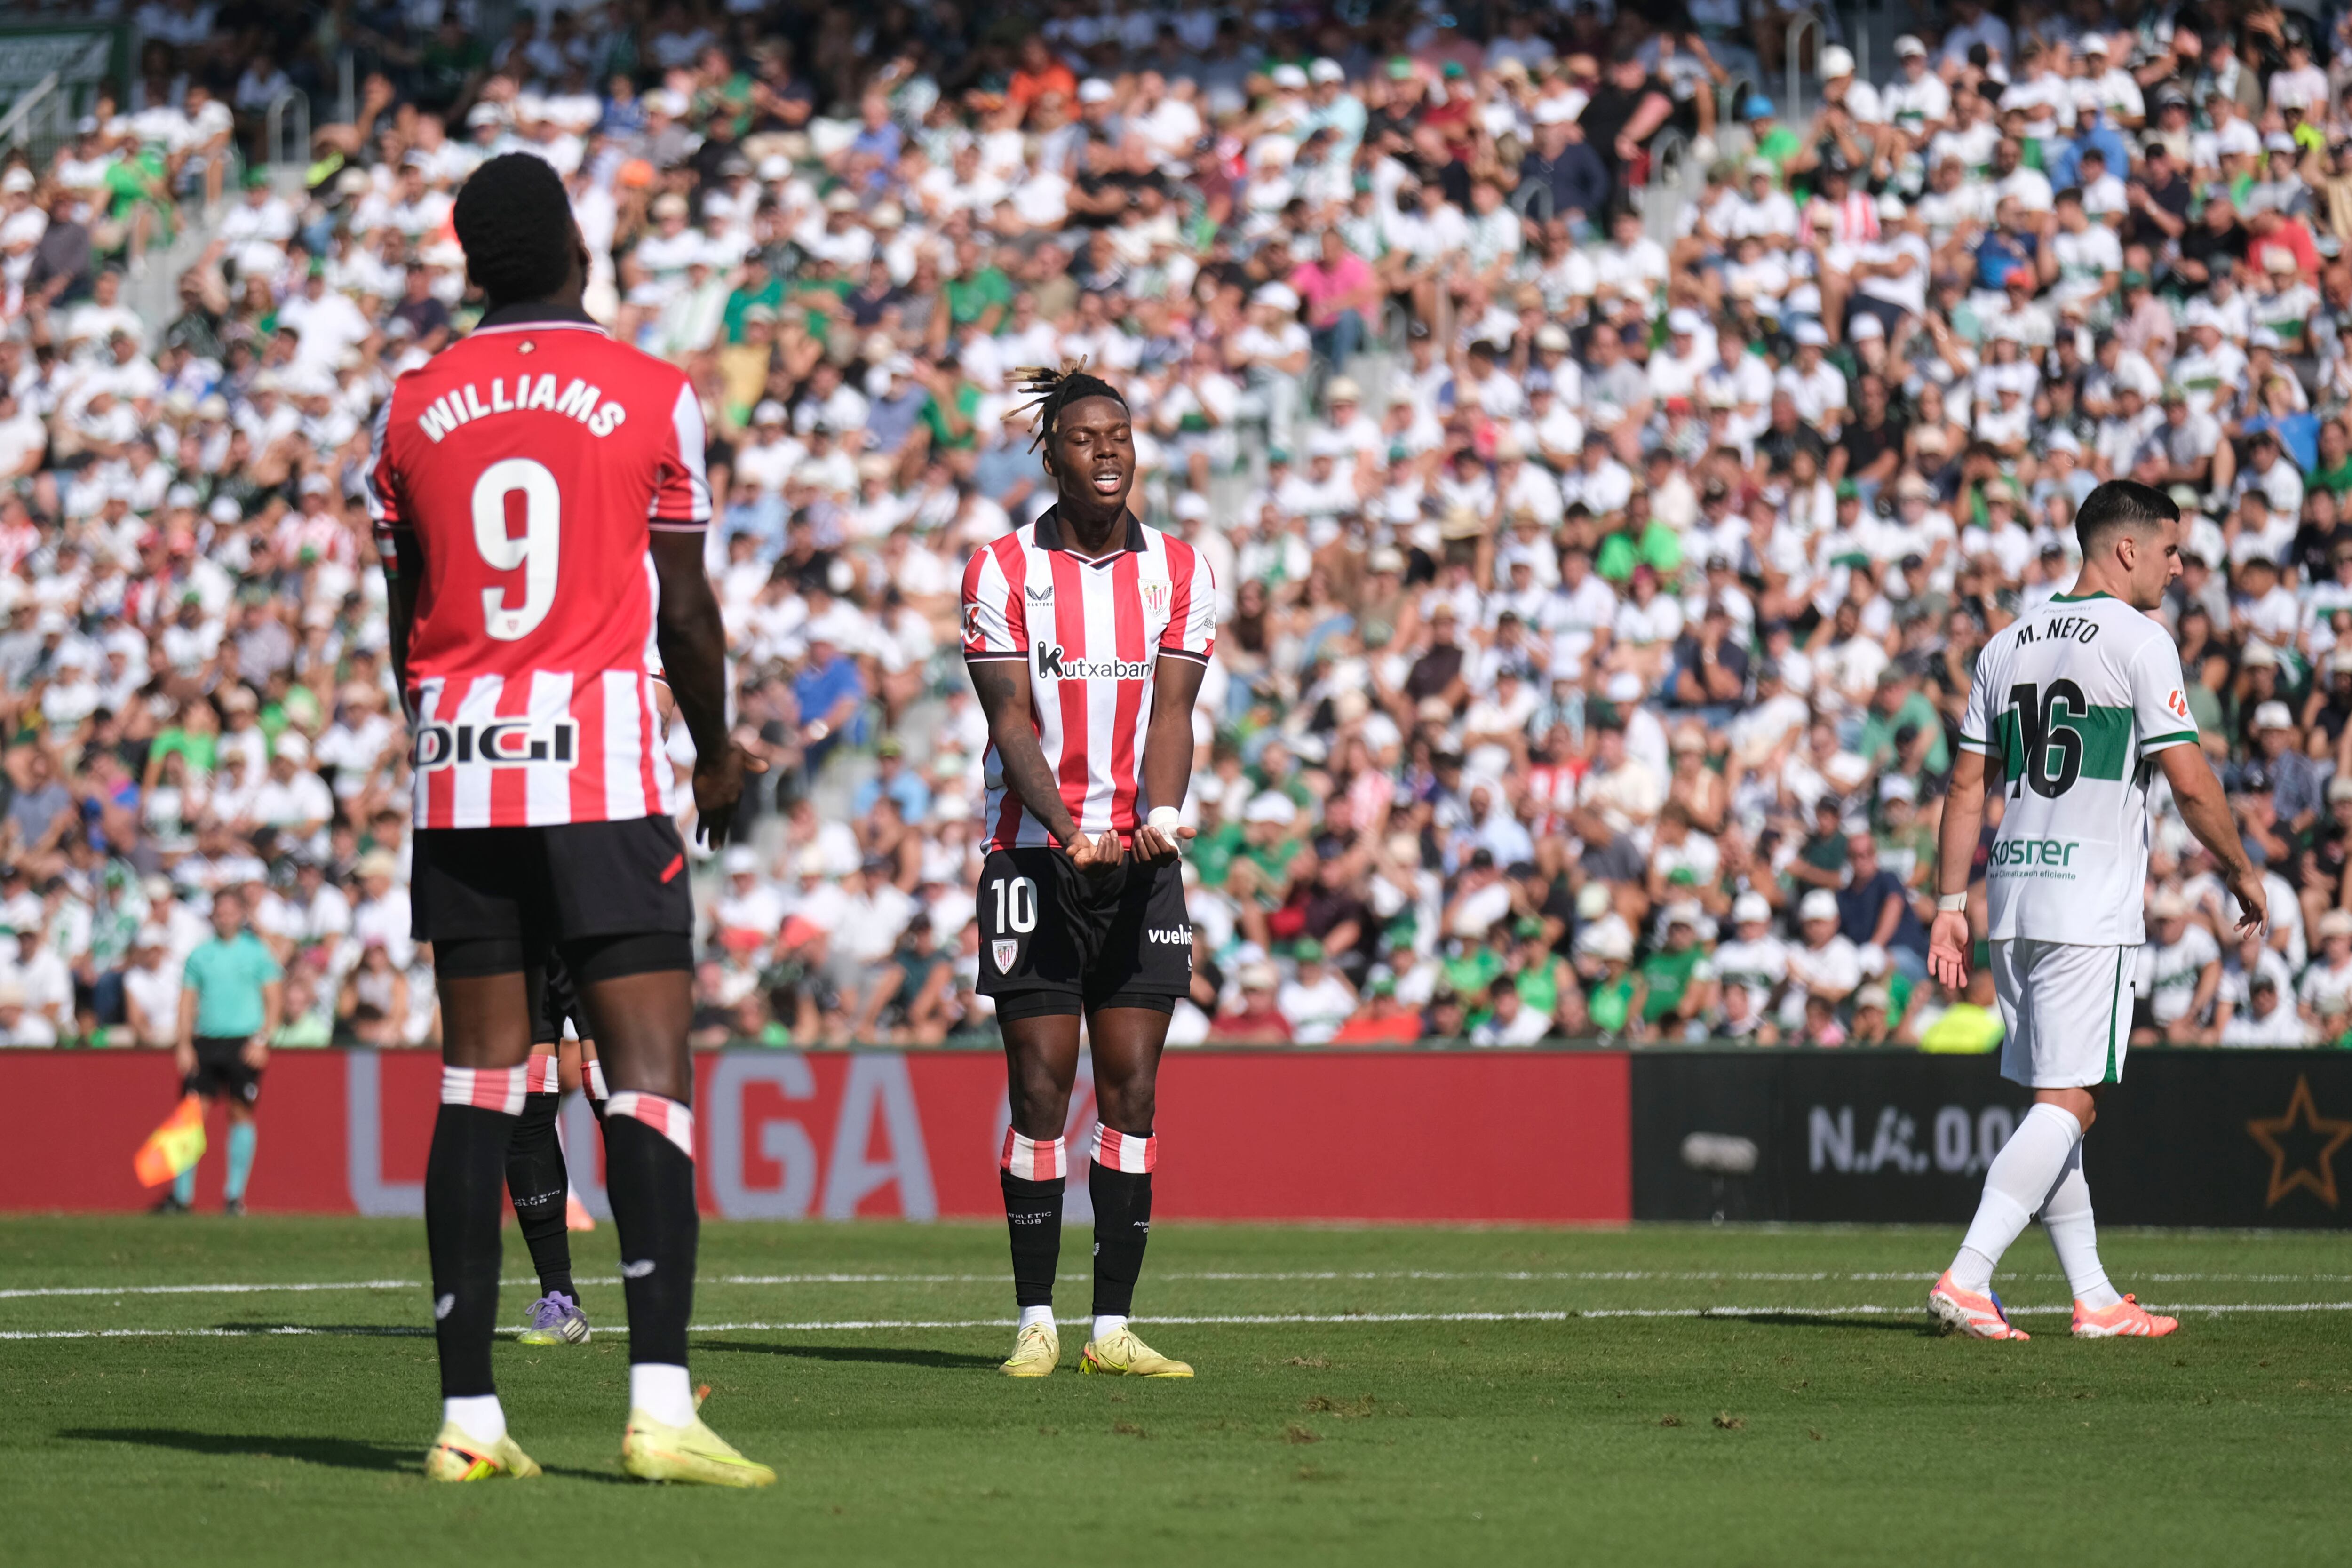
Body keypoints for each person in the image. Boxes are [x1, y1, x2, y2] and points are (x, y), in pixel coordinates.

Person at [366, 154, 770, 1486]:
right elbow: (688, 614)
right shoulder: (650, 389)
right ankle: (659, 1405)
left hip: (462, 762)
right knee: (645, 1073)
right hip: (597, 766)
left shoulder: (413, 405)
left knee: (477, 1080)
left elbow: (402, 612)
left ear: (473, 262)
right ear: (579, 251)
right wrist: (714, 759)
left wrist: (442, 732)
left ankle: (468, 1418)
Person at [1927, 480, 2266, 1342]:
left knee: (2059, 1096)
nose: (2178, 565)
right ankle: (1969, 1275)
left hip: (2010, 894)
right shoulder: (2140, 641)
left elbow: (1968, 781)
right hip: (2090, 898)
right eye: (2171, 549)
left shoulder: (2006, 643)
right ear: (2126, 550)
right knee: (2072, 1100)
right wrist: (2239, 868)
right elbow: (2189, 779)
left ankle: (2096, 1297)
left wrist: (1945, 902)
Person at [961, 363, 1215, 1381]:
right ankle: (1035, 1317)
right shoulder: (1001, 568)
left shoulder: (1180, 568)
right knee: (1038, 1085)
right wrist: (1070, 827)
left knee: (1134, 1091)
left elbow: (1171, 711)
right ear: (1050, 454)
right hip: (1034, 850)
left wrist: (1156, 815)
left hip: (1139, 859)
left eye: (1120, 435)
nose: (1108, 452)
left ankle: (1111, 1326)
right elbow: (1010, 720)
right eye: (1084, 438)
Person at [156, 887, 282, 1216]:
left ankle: (234, 1195)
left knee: (240, 1112)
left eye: (230, 911)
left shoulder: (257, 952)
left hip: (243, 1042)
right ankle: (182, 1196)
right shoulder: (200, 955)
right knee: (191, 1116)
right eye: (219, 910)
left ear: (242, 914)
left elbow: (274, 998)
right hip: (207, 1041)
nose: (224, 916)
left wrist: (263, 1038)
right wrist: (183, 1043)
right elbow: (186, 1001)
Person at [505, 955, 609, 1347]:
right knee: (525, 1101)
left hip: (591, 926)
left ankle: (654, 1289)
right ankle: (560, 1298)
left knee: (612, 1091)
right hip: (524, 938)